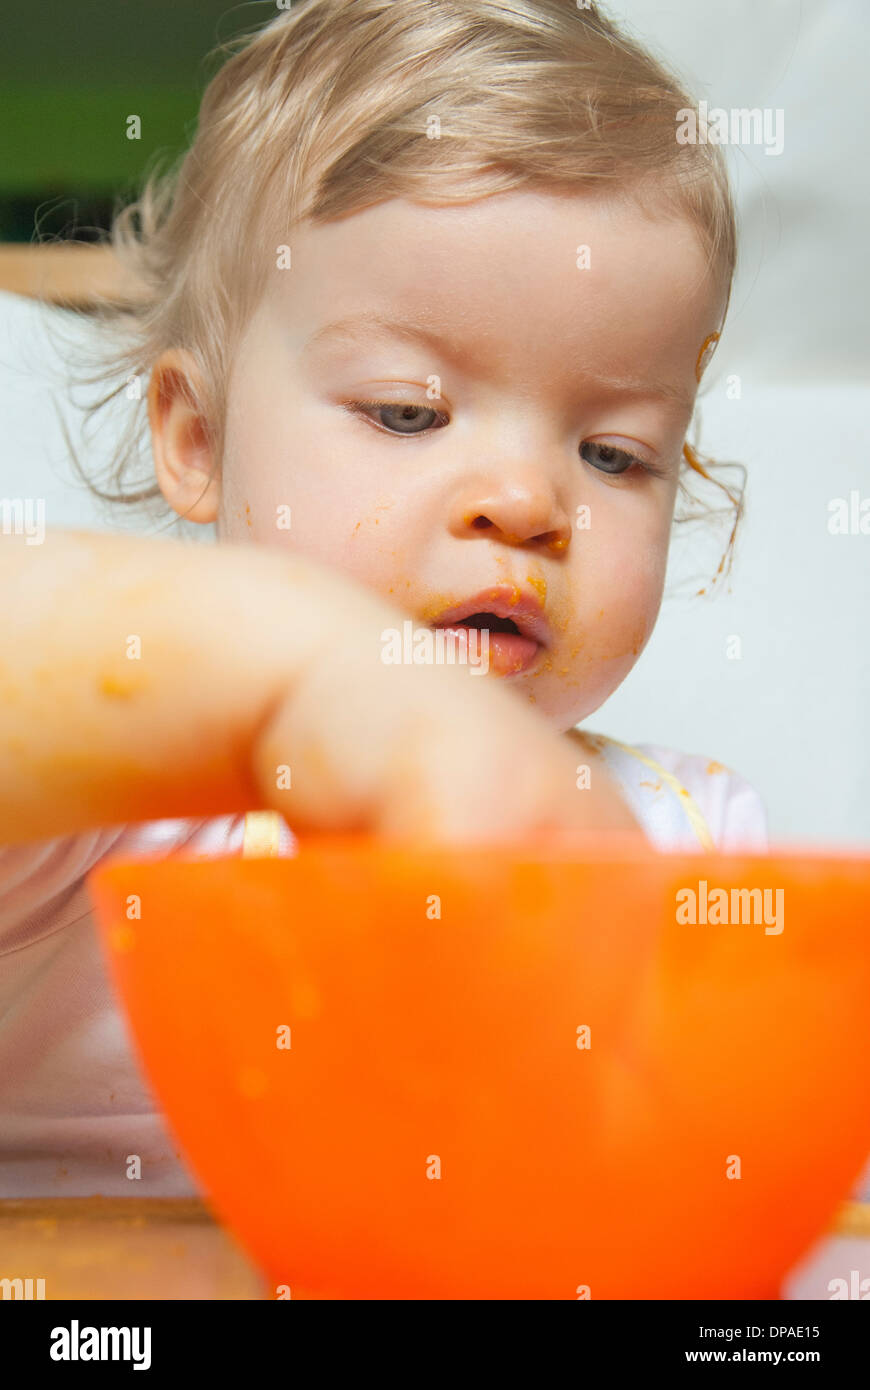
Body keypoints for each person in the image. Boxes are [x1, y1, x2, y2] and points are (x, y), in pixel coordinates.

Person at [0, 0, 766, 1203]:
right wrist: (303, 673)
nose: (525, 500)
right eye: (408, 412)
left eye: (615, 454)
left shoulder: (685, 842)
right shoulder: (115, 805)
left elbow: (744, 1190)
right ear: (198, 437)